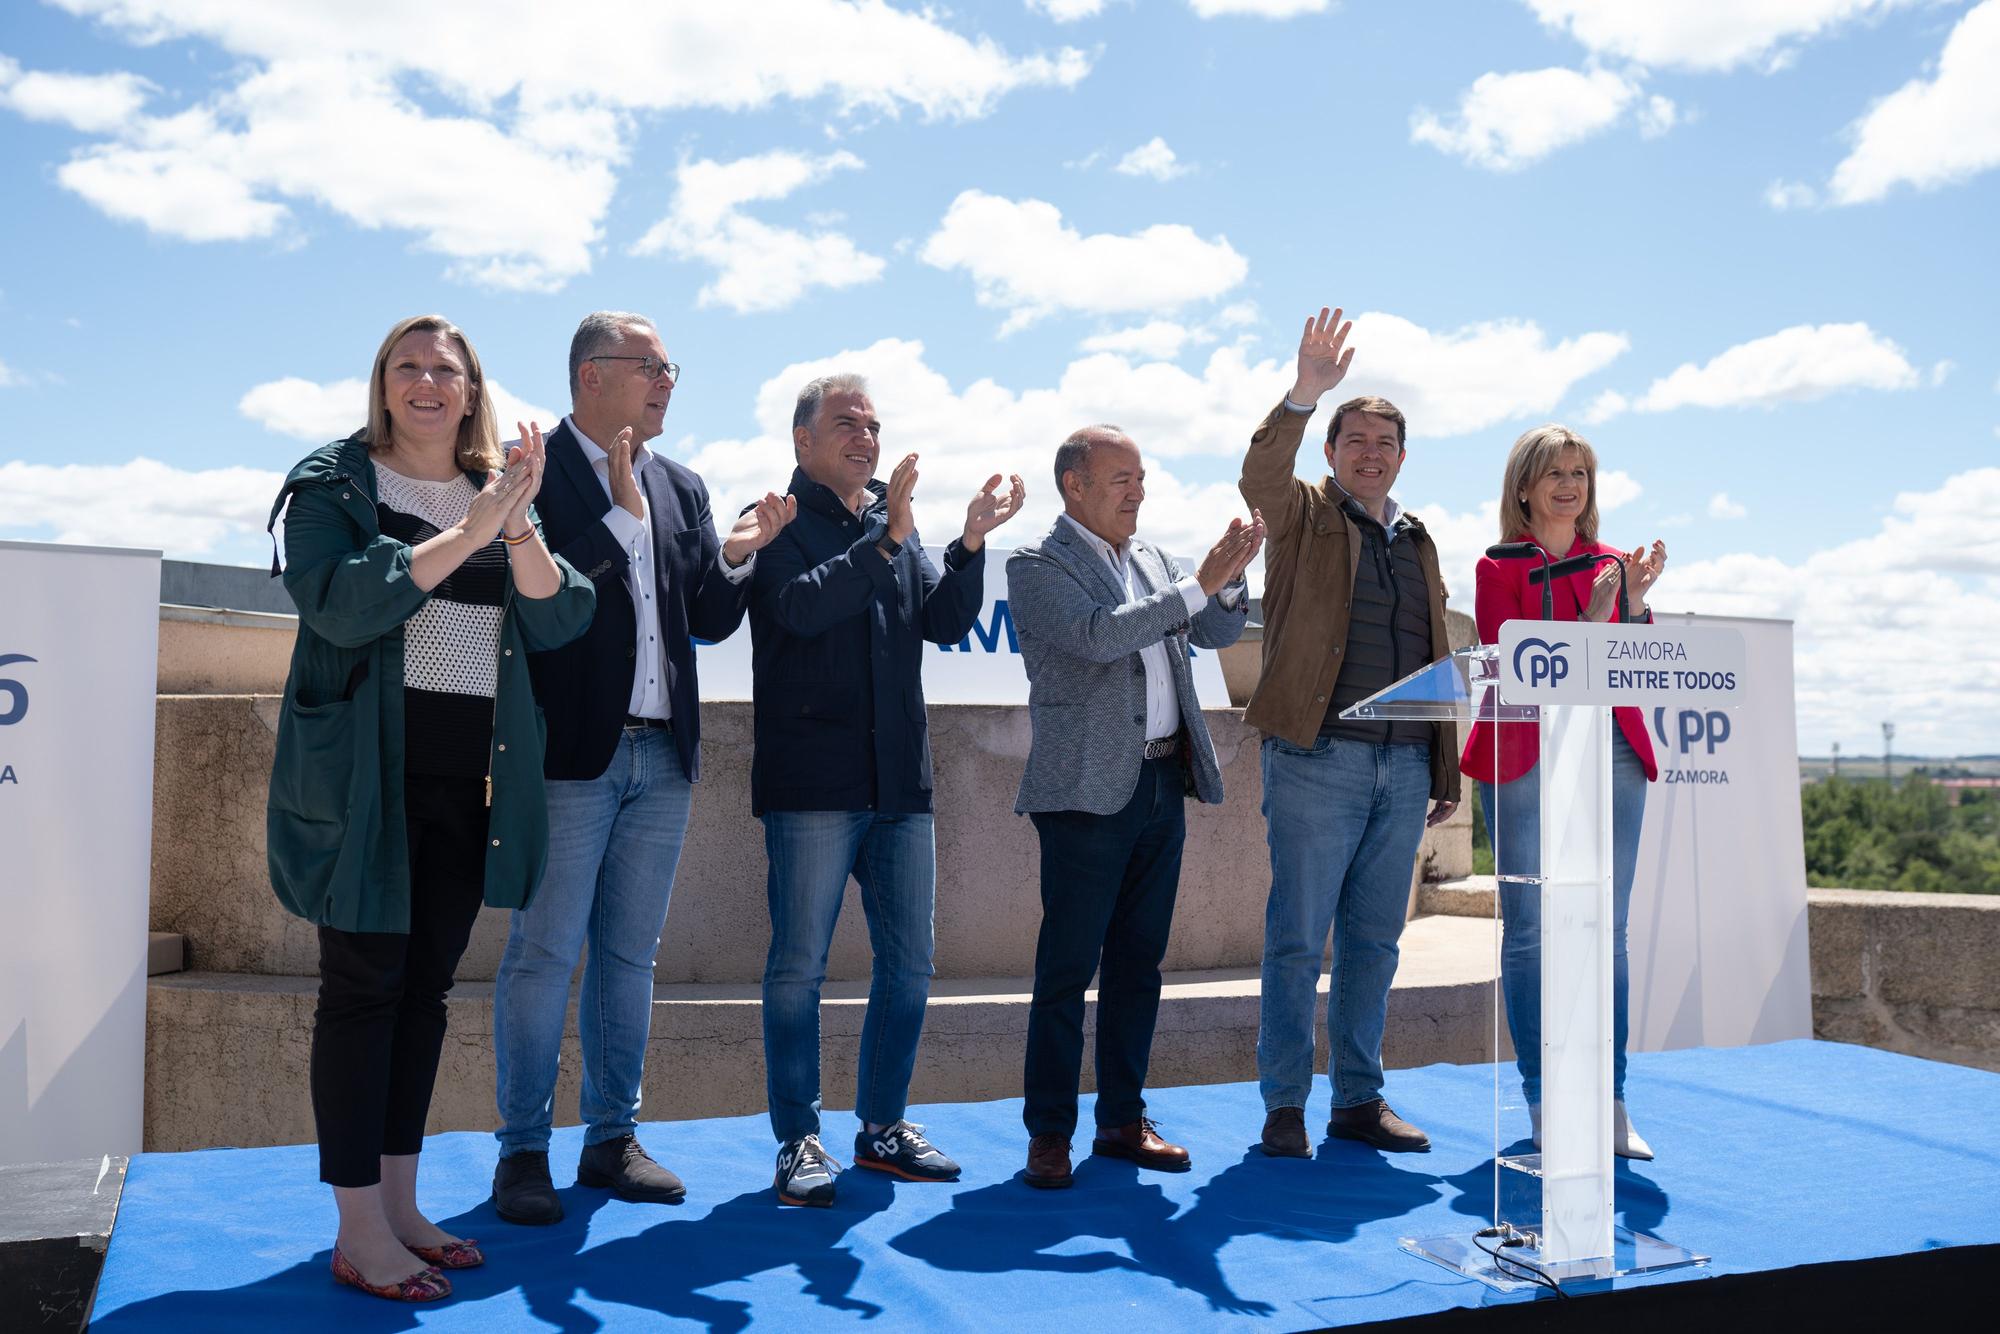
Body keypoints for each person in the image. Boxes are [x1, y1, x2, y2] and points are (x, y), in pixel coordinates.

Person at [265, 314, 593, 1302]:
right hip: (366, 782)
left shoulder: (491, 488)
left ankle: (402, 1205)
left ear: (471, 387)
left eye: (445, 369)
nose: (425, 382)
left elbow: (561, 611)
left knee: (424, 992)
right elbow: (340, 600)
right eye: (406, 366)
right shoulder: (334, 482)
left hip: (469, 784)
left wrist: (516, 517)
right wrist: (471, 529)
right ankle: (358, 1224)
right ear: (382, 383)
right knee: (362, 988)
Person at [489, 312, 796, 1224]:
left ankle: (611, 1139)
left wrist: (737, 554)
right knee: (544, 955)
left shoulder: (685, 484)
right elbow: (543, 604)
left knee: (629, 956)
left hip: (663, 755)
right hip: (572, 755)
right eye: (650, 366)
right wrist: (621, 519)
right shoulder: (529, 474)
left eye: (671, 368)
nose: (667, 381)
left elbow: (705, 616)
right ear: (591, 375)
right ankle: (522, 1153)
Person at [750, 372, 1025, 1207]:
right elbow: (795, 612)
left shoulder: (893, 527)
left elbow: (940, 623)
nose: (865, 437)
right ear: (803, 440)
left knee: (911, 965)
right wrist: (884, 542)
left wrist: (968, 546)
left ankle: (882, 1129)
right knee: (798, 970)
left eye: (873, 423)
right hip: (813, 787)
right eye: (846, 424)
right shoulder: (777, 524)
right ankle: (799, 1140)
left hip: (902, 786)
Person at [1007, 426, 1260, 1189]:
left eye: (1142, 477)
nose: (1138, 491)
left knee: (1138, 966)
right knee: (1066, 970)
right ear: (1074, 485)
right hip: (1085, 793)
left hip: (1160, 784)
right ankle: (1050, 1132)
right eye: (1121, 477)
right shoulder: (1037, 564)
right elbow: (1096, 637)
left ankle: (1121, 1119)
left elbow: (1215, 628)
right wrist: (1195, 584)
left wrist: (1235, 575)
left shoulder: (1152, 559)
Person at [1239, 307, 1461, 1160]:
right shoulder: (1300, 516)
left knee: (1375, 941)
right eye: (1354, 440)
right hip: (1316, 758)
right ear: (1331, 453)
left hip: (1405, 768)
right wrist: (1305, 392)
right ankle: (1285, 1106)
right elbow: (1260, 473)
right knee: (1298, 939)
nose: (1370, 453)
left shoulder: (1420, 540)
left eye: (1385, 443)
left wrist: (1444, 763)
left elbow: (1438, 653)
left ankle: (1358, 1100)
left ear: (1402, 457)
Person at [1461, 424, 1668, 1159]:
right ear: (1524, 486)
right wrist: (1590, 622)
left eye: (1579, 471)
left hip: (1611, 746)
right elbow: (1515, 665)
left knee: (1603, 932)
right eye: (1554, 472)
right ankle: (1546, 1100)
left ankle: (1610, 1103)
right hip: (1526, 753)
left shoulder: (1614, 563)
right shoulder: (1496, 567)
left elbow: (1638, 663)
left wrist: (1635, 608)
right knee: (1531, 932)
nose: (1569, 484)